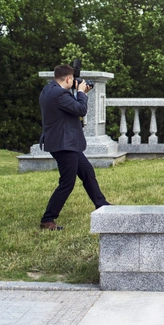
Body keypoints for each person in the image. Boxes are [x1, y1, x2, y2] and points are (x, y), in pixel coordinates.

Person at [38, 64, 111, 231]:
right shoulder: (60, 94)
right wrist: (81, 93)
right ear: (69, 78)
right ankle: (48, 219)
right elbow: (81, 109)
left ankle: (101, 204)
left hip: (64, 142)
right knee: (67, 183)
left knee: (87, 172)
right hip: (64, 144)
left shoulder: (49, 89)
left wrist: (78, 92)